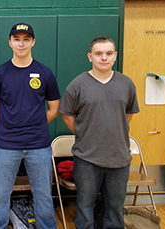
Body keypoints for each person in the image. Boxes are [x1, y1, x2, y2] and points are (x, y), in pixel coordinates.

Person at [58, 36, 139, 229]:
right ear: (90, 56)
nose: (104, 58)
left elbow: (128, 115)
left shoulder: (126, 84)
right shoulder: (77, 84)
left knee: (115, 207)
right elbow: (67, 115)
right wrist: (85, 134)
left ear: (115, 56)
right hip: (87, 158)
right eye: (99, 54)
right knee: (85, 207)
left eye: (109, 53)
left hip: (119, 158)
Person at [0, 22, 60, 229]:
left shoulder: (45, 73)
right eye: (17, 39)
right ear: (10, 42)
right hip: (6, 144)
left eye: (26, 39)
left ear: (33, 42)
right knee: (0, 193)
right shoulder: (0, 74)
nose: (21, 43)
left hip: (39, 145)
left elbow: (54, 108)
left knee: (43, 193)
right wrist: (6, 127)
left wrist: (35, 125)